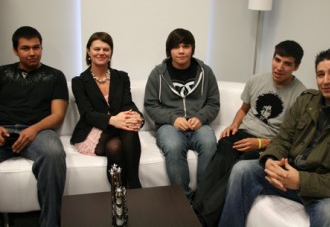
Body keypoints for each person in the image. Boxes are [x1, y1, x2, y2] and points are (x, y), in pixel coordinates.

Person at [219, 48, 330, 227]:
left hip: (329, 190)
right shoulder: (307, 100)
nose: (326, 80)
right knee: (242, 170)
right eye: (320, 74)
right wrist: (270, 159)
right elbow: (283, 138)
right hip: (290, 171)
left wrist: (301, 181)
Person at [192, 40, 306, 226]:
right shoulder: (256, 80)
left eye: (287, 63)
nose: (279, 67)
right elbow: (244, 109)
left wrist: (260, 143)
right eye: (277, 60)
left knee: (240, 168)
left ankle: (202, 218)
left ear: (296, 67)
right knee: (223, 151)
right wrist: (234, 124)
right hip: (244, 133)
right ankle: (194, 208)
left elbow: (294, 139)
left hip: (269, 144)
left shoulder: (301, 95)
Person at [0, 26, 69, 227]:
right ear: (15, 50)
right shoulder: (2, 73)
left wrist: (33, 129)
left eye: (36, 47)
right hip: (3, 130)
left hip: (39, 131)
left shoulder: (55, 76)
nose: (32, 53)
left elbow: (57, 116)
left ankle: (50, 224)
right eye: (25, 48)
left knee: (54, 153)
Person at [144, 28, 220, 200]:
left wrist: (201, 118)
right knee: (173, 146)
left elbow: (213, 103)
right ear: (169, 50)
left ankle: (203, 199)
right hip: (169, 126)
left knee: (209, 143)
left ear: (192, 49)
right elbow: (151, 105)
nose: (181, 51)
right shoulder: (158, 74)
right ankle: (184, 201)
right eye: (176, 47)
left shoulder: (205, 72)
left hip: (198, 124)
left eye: (186, 46)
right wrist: (173, 119)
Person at [70, 32, 144, 188]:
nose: (101, 53)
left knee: (115, 147)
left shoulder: (122, 77)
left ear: (111, 53)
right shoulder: (79, 82)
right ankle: (135, 186)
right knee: (126, 129)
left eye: (106, 49)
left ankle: (119, 194)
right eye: (97, 49)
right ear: (88, 52)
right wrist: (113, 120)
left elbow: (127, 104)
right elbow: (87, 113)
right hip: (93, 131)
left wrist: (138, 117)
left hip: (116, 131)